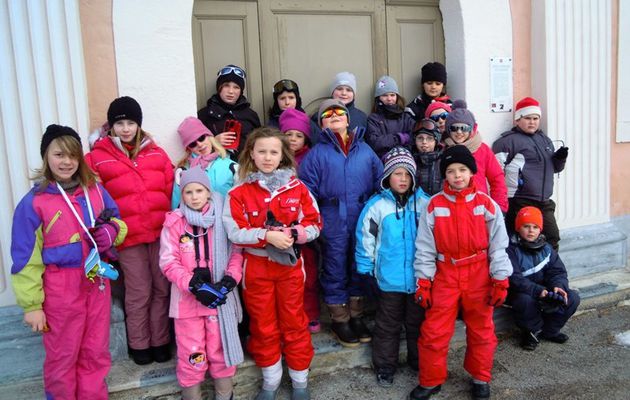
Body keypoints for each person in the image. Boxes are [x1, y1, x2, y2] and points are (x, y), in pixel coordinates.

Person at [11, 124, 127, 399]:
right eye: (59, 155)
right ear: (46, 157)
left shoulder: (96, 191)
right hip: (60, 290)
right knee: (62, 356)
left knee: (95, 352)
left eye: (73, 155)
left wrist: (112, 232)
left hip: (96, 283)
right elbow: (26, 259)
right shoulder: (34, 202)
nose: (66, 162)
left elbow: (119, 223)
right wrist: (32, 306)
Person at [222, 127, 322, 400]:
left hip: (289, 268)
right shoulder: (238, 192)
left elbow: (314, 224)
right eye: (262, 151)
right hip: (256, 268)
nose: (267, 157)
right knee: (263, 324)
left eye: (273, 152)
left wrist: (292, 233)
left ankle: (300, 381)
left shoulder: (298, 188)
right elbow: (234, 232)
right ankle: (271, 381)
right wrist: (266, 236)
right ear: (251, 154)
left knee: (294, 321)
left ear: (283, 156)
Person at [410, 145, 512, 400]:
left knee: (482, 329)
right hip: (446, 273)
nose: (457, 175)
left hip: (479, 272)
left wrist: (500, 279)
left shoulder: (486, 204)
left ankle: (480, 378)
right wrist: (423, 281)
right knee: (434, 330)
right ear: (445, 175)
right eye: (452, 171)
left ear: (472, 172)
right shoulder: (434, 205)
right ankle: (431, 380)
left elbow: (499, 245)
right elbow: (424, 246)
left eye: (463, 170)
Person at [86, 96, 174, 365]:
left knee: (162, 289)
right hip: (128, 237)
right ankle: (139, 344)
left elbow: (171, 190)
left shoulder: (157, 153)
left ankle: (160, 340)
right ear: (111, 126)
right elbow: (93, 198)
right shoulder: (97, 157)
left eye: (131, 123)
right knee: (138, 291)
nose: (125, 128)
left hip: (160, 234)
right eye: (120, 123)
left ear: (139, 125)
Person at [300, 99, 383, 348]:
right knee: (335, 266)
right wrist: (315, 219)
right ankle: (340, 318)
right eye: (328, 113)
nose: (335, 115)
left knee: (359, 264)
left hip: (360, 215)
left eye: (339, 112)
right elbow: (306, 191)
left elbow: (381, 180)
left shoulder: (365, 150)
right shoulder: (317, 154)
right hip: (332, 217)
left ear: (348, 119)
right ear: (321, 123)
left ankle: (356, 315)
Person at [160, 167, 244, 400]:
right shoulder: (174, 222)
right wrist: (193, 284)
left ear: (208, 192)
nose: (194, 196)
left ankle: (225, 395)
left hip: (219, 300)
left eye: (199, 190)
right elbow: (168, 261)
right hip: (187, 304)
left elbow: (236, 251)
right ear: (182, 194)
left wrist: (229, 280)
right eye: (188, 192)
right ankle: (192, 396)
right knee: (192, 353)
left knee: (220, 350)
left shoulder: (223, 219)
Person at [355, 147, 429, 387]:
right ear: (387, 177)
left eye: (407, 174)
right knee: (388, 325)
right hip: (389, 279)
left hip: (419, 279)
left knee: (417, 323)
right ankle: (386, 366)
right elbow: (365, 238)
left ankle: (418, 361)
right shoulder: (377, 206)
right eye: (398, 174)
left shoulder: (425, 203)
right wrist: (366, 269)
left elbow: (435, 238)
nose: (403, 179)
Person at [492, 97, 568, 250]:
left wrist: (560, 159)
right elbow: (495, 172)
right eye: (527, 118)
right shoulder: (507, 141)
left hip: (544, 201)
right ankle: (521, 272)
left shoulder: (544, 140)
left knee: (552, 236)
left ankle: (550, 270)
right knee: (520, 240)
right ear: (517, 120)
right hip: (520, 200)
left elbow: (555, 169)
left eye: (535, 118)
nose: (532, 122)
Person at [506, 206, 580, 351]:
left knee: (572, 298)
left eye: (535, 227)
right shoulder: (511, 250)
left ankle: (550, 331)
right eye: (526, 226)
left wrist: (558, 286)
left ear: (540, 229)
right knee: (524, 301)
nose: (531, 230)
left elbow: (557, 271)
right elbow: (514, 278)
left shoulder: (547, 248)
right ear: (518, 228)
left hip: (545, 289)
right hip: (523, 292)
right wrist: (538, 290)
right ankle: (532, 331)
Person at [279, 108, 321, 333]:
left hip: (305, 224)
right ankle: (292, 315)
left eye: (298, 136)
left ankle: (311, 311)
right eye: (289, 135)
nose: (293, 140)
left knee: (309, 274)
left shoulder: (310, 157)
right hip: (281, 227)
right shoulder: (275, 157)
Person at [443, 100, 508, 213]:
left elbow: (497, 179)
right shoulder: (443, 149)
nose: (459, 132)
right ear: (448, 129)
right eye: (454, 128)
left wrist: (499, 207)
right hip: (450, 207)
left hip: (479, 207)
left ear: (472, 129)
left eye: (464, 128)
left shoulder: (482, 149)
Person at [197, 64, 262, 159]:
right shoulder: (204, 114)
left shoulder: (251, 115)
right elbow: (195, 148)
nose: (231, 91)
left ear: (241, 91)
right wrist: (214, 142)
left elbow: (262, 143)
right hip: (216, 168)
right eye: (226, 86)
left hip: (247, 168)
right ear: (219, 88)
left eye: (236, 87)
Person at [172, 117, 237, 208]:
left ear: (209, 136)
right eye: (192, 144)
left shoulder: (231, 166)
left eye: (201, 138)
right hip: (195, 221)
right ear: (188, 149)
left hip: (226, 219)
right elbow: (177, 206)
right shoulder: (183, 171)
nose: (199, 144)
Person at [366, 75, 415, 159]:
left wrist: (401, 154)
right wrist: (399, 138)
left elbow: (413, 139)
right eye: (385, 95)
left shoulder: (406, 117)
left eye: (392, 95)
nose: (389, 99)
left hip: (405, 160)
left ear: (397, 97)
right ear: (378, 98)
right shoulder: (373, 119)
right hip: (382, 161)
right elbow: (374, 142)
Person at [311, 72, 369, 138]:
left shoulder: (361, 117)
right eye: (339, 89)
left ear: (354, 94)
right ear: (332, 92)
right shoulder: (319, 116)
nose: (344, 93)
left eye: (348, 90)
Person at [412, 118, 444, 196]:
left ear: (436, 141)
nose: (424, 142)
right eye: (420, 138)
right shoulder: (410, 161)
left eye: (429, 138)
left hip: (438, 206)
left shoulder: (444, 162)